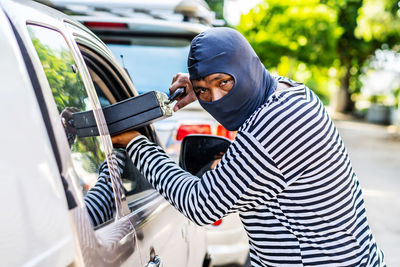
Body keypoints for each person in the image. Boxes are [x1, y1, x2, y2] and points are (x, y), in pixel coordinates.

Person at [111, 27, 385, 266]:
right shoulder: (290, 94)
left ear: (246, 69)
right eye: (204, 90)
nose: (215, 99)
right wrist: (210, 81)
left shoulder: (275, 125)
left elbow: (200, 204)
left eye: (224, 83)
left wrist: (136, 144)